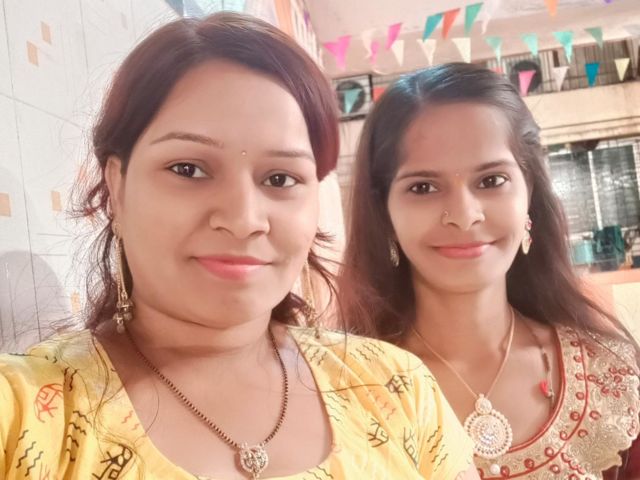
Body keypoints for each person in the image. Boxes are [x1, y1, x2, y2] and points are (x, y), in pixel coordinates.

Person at [0, 14, 479, 480]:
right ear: (117, 186)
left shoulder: (396, 388)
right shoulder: (26, 416)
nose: (244, 220)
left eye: (280, 178)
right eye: (188, 169)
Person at [340, 62, 640, 479]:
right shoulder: (341, 392)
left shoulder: (610, 375)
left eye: (491, 180)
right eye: (423, 187)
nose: (464, 215)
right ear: (384, 211)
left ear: (528, 191)